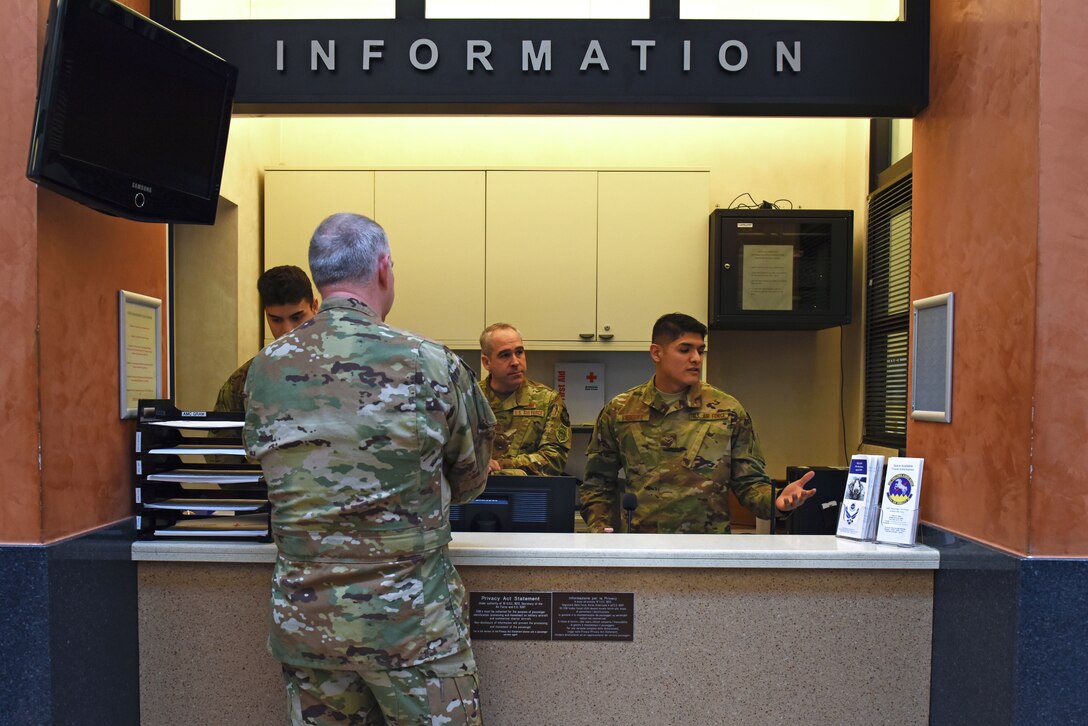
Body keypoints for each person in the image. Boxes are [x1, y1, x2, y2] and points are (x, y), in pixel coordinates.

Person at [243, 213, 495, 725]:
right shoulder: (431, 363)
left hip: (310, 626)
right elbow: (471, 479)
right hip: (413, 628)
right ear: (383, 269)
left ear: (319, 278)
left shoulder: (264, 371)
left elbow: (266, 471)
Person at [581, 312, 816, 534]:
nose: (696, 359)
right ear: (656, 353)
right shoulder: (620, 410)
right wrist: (601, 528)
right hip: (642, 548)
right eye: (685, 350)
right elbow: (597, 484)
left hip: (708, 549)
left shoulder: (727, 410)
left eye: (700, 350)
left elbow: (750, 483)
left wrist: (778, 501)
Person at [213, 265, 319, 413]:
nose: (287, 330)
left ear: (315, 307)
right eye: (276, 320)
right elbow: (224, 435)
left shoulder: (345, 366)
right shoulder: (245, 379)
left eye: (297, 317)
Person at [479, 323, 571, 476]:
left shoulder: (547, 400)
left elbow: (554, 459)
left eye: (519, 352)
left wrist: (499, 466)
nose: (515, 362)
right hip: (476, 496)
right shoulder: (468, 399)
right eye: (505, 355)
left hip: (530, 494)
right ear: (487, 362)